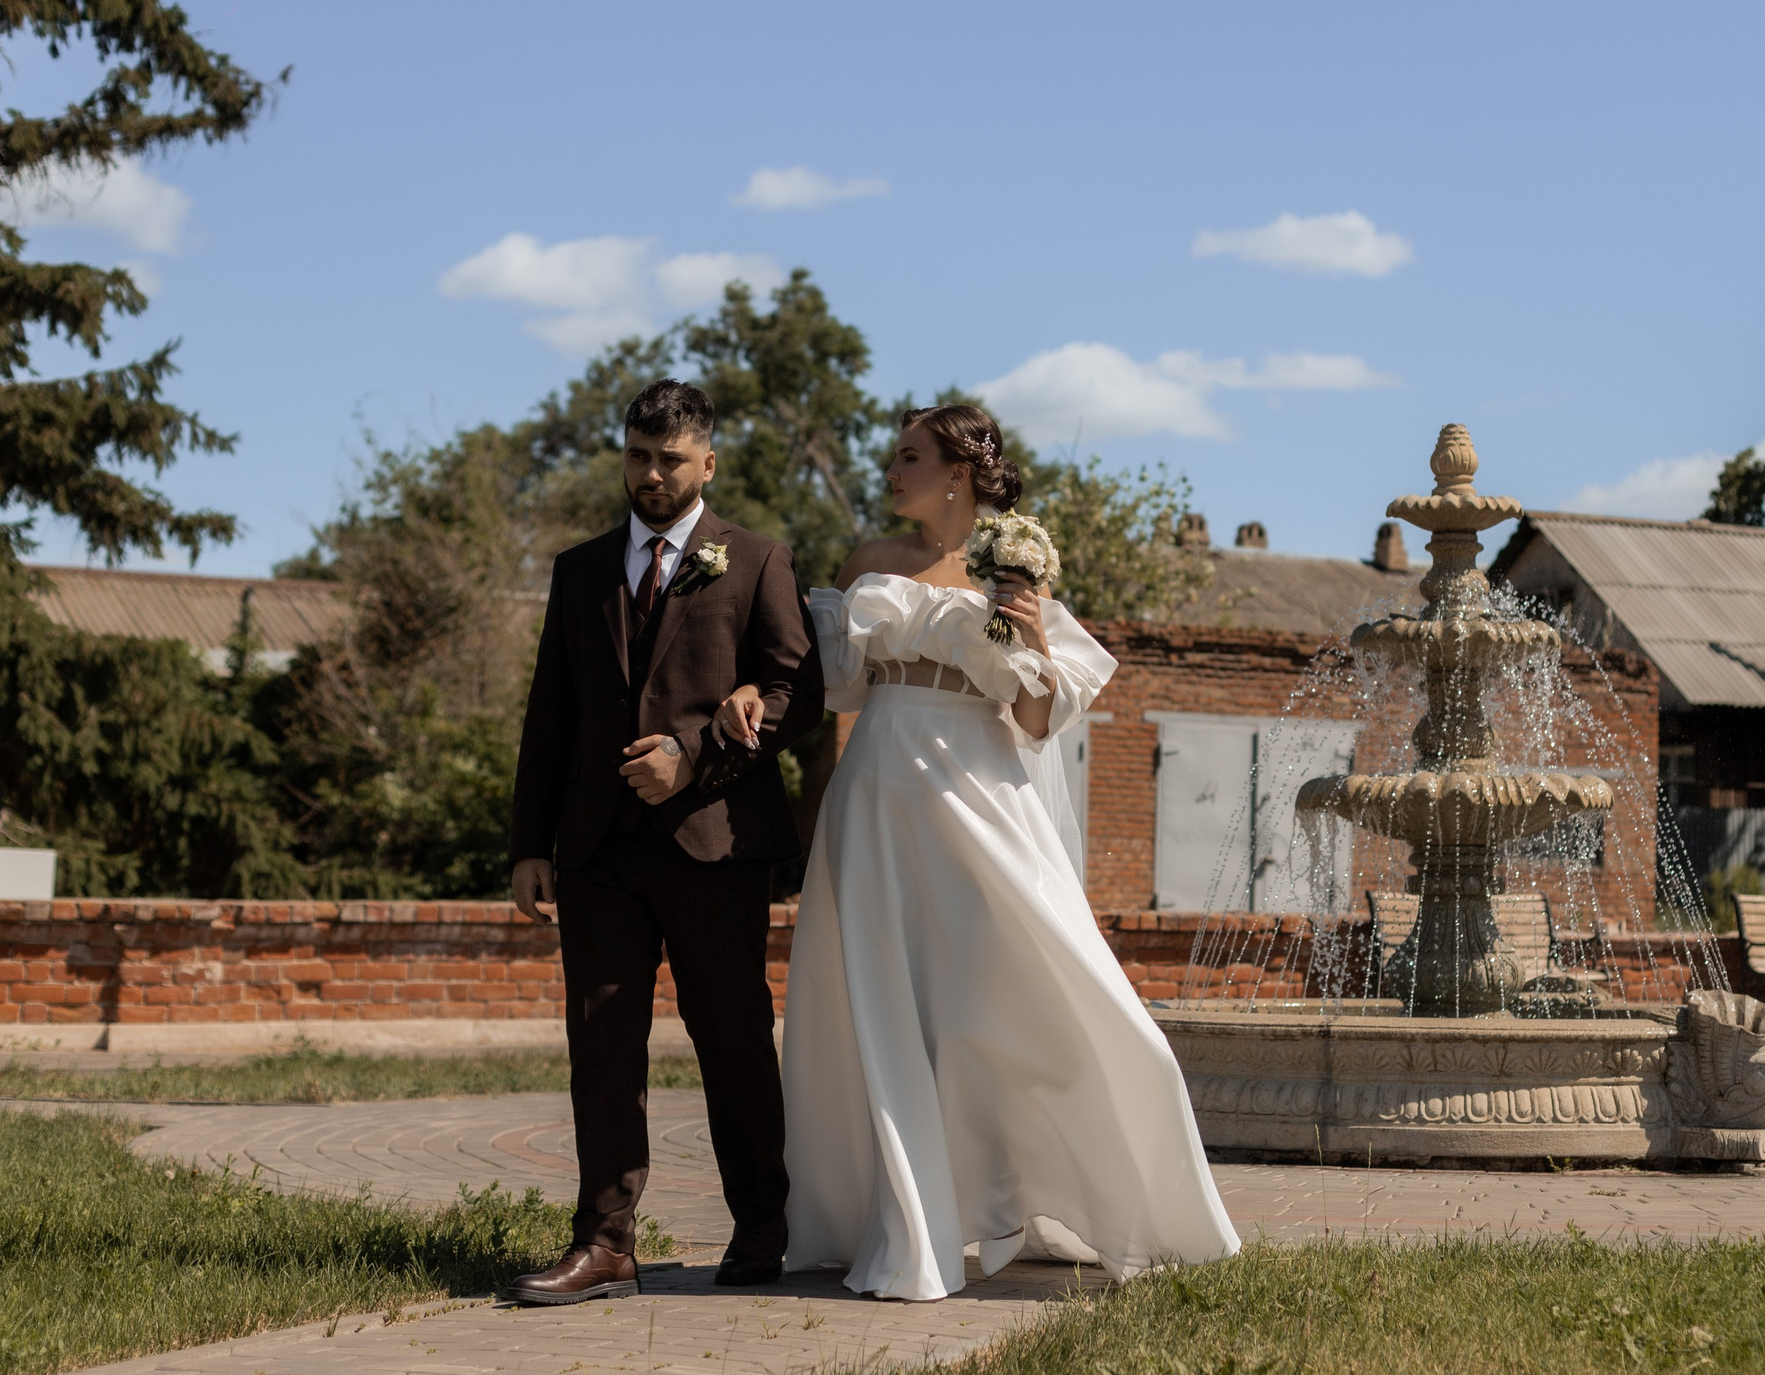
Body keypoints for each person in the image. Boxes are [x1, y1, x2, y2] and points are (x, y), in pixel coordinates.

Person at [775, 401, 1240, 1301]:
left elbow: (1033, 722)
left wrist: (1031, 637)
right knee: (879, 1000)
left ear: (958, 471)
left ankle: (1113, 1187)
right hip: (874, 791)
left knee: (1032, 984)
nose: (892, 470)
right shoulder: (866, 564)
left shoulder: (1017, 574)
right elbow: (838, 692)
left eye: (909, 457)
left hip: (981, 794)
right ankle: (908, 1223)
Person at [502, 378, 823, 1303]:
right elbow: (549, 716)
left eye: (670, 459)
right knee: (602, 1044)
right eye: (638, 456)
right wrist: (530, 841)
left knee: (732, 1040)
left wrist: (695, 758)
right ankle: (604, 1243)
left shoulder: (758, 561)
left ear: (706, 463)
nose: (650, 473)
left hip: (715, 844)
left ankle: (762, 1228)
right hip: (597, 849)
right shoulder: (580, 568)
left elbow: (794, 696)